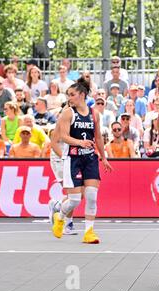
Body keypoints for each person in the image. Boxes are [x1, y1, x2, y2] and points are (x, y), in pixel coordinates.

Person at [51, 78, 112, 244]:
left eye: (72, 95)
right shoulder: (68, 113)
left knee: (92, 196)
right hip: (73, 158)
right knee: (75, 200)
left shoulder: (94, 114)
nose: (69, 98)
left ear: (82, 95)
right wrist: (80, 142)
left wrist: (103, 157)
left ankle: (89, 232)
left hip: (90, 158)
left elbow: (98, 137)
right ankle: (60, 216)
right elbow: (63, 136)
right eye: (68, 95)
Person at [47, 122, 78, 235]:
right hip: (60, 160)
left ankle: (57, 205)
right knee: (72, 193)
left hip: (74, 159)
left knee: (79, 193)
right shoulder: (64, 120)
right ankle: (68, 225)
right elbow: (54, 139)